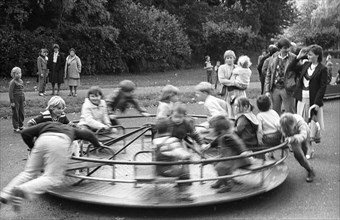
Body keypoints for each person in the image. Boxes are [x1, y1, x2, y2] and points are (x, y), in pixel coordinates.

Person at [0, 122, 104, 212]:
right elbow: (88, 134)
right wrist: (97, 144)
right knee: (53, 177)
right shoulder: (71, 129)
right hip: (60, 141)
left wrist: (33, 147)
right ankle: (23, 190)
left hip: (42, 140)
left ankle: (6, 193)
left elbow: (25, 133)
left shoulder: (46, 124)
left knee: (28, 173)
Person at [288, 44, 328, 159]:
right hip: (301, 99)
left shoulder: (323, 69)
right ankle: (305, 147)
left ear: (317, 55)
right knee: (302, 123)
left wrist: (316, 103)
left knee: (310, 124)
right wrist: (298, 57)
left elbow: (322, 87)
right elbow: (291, 68)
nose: (308, 56)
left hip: (313, 100)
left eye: (310, 54)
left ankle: (310, 149)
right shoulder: (305, 64)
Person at [208, 115, 251, 193]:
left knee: (220, 167)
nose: (209, 129)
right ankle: (221, 180)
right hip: (229, 158)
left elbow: (237, 144)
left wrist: (243, 152)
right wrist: (209, 145)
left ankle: (227, 184)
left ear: (219, 130)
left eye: (211, 128)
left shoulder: (228, 137)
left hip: (238, 159)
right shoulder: (222, 136)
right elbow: (216, 141)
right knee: (216, 163)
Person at [153, 119, 192, 201]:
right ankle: (183, 193)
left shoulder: (155, 141)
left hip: (159, 170)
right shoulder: (171, 141)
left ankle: (181, 188)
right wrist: (188, 156)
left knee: (178, 166)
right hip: (169, 169)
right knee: (184, 171)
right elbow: (179, 152)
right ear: (170, 129)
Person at [279, 113, 315, 182]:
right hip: (293, 138)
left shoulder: (300, 124)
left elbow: (303, 135)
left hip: (303, 135)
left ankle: (305, 160)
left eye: (289, 132)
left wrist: (293, 137)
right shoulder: (283, 123)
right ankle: (310, 169)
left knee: (304, 148)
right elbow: (282, 132)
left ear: (294, 126)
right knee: (298, 155)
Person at [264, 38, 297, 114]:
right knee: (275, 113)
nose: (287, 50)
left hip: (287, 89)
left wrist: (294, 85)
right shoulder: (273, 57)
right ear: (280, 49)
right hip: (275, 88)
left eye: (288, 47)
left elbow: (298, 73)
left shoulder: (293, 58)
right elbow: (268, 75)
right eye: (285, 48)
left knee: (290, 112)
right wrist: (267, 90)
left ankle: (291, 126)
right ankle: (277, 126)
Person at [218, 50, 236, 118]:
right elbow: (221, 80)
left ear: (234, 58)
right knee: (227, 108)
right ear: (225, 59)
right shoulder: (222, 68)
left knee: (236, 107)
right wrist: (232, 82)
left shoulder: (237, 67)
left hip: (236, 91)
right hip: (226, 91)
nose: (229, 59)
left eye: (231, 57)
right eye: (227, 58)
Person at [9, 67, 26, 132]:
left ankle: (21, 125)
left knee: (21, 112)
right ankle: (16, 127)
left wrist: (24, 100)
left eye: (20, 73)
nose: (19, 74)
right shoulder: (13, 82)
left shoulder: (21, 81)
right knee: (15, 112)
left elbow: (22, 91)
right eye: (17, 73)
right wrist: (12, 101)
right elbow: (10, 92)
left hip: (21, 98)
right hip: (15, 99)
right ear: (13, 74)